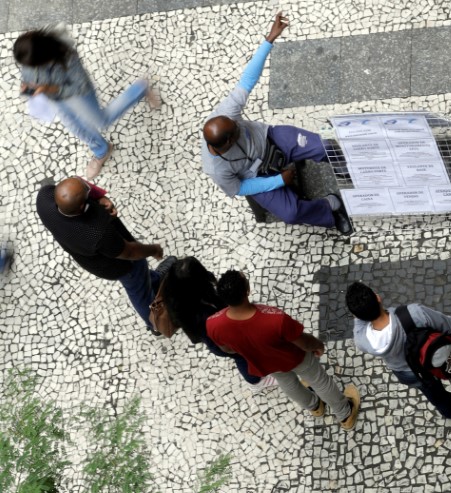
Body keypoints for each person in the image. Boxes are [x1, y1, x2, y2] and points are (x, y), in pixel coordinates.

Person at [201, 13, 352, 235]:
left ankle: (341, 164)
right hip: (256, 176)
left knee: (323, 146)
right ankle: (331, 207)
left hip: (270, 139)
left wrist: (269, 40)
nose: (238, 122)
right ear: (229, 141)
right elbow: (242, 188)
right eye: (236, 130)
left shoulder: (226, 115)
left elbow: (247, 80)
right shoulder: (217, 170)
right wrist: (277, 180)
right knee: (291, 214)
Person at [207, 270, 360, 430]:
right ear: (247, 291)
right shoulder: (274, 319)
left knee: (287, 382)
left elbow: (227, 349)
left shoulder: (213, 324)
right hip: (295, 357)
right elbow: (303, 342)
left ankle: (314, 406)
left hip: (264, 363)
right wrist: (317, 345)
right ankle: (345, 413)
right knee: (319, 381)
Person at [14, 26, 159, 179]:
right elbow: (28, 73)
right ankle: (102, 150)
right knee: (76, 127)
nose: (28, 68)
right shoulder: (29, 57)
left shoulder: (65, 55)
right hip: (54, 98)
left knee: (102, 120)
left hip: (77, 95)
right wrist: (28, 86)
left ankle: (140, 89)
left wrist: (50, 89)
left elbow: (79, 86)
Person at [36, 177, 171, 335]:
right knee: (137, 288)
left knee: (141, 278)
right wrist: (154, 250)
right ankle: (154, 322)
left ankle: (153, 280)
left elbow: (73, 189)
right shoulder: (96, 233)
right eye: (88, 192)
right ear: (82, 207)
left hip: (90, 257)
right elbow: (130, 252)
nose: (89, 188)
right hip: (120, 265)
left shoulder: (44, 197)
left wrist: (100, 198)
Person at [345, 281, 451, 428]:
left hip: (410, 372)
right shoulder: (412, 313)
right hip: (437, 357)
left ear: (356, 316)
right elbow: (444, 323)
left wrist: (359, 313)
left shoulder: (362, 340)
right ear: (378, 297)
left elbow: (359, 323)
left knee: (434, 393)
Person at [159, 257, 273, 392]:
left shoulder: (177, 291)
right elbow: (224, 345)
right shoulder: (201, 314)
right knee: (241, 357)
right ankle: (255, 382)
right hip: (220, 341)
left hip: (215, 335)